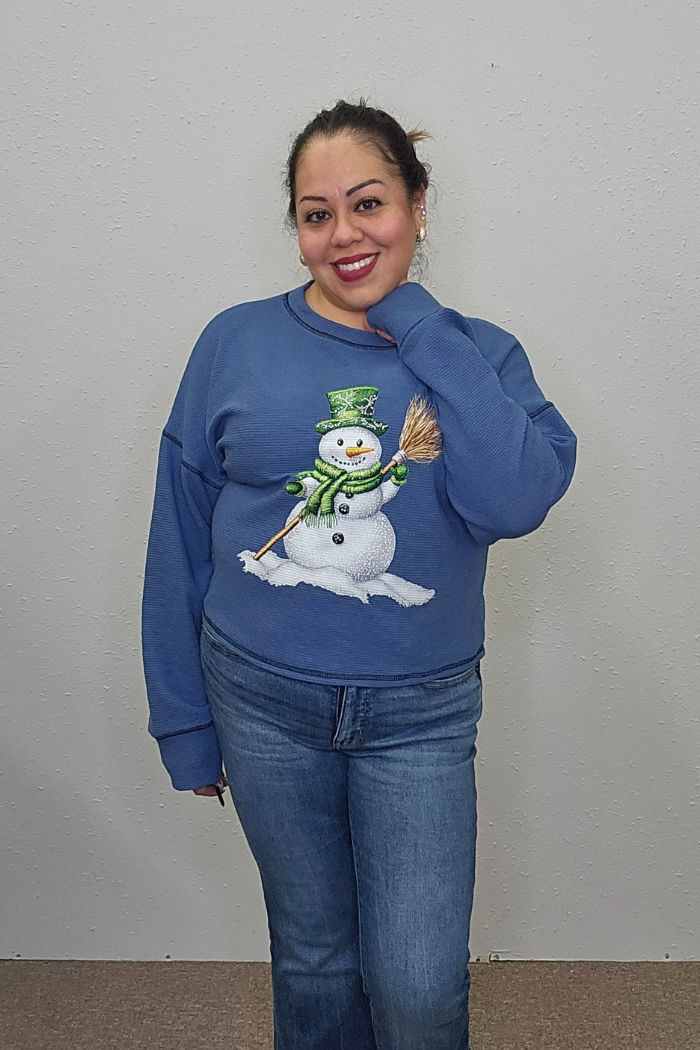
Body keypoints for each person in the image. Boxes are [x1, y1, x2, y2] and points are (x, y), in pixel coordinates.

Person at [142, 99, 577, 1050]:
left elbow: (513, 503)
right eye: (315, 212)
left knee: (420, 993)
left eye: (369, 203)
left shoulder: (480, 354)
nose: (343, 234)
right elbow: (178, 528)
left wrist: (415, 325)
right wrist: (182, 719)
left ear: (419, 208)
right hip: (257, 699)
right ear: (295, 228)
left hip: (418, 712)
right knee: (313, 961)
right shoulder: (233, 342)